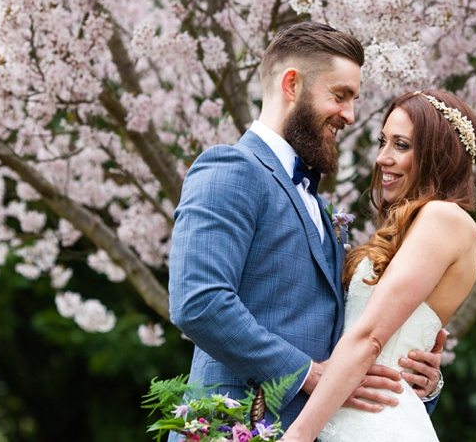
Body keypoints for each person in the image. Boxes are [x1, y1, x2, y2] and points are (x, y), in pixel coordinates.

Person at [168, 23, 445, 431]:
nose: (349, 115)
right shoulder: (230, 169)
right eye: (340, 95)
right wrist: (308, 375)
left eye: (353, 100)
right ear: (292, 85)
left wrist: (419, 382)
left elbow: (346, 337)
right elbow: (199, 300)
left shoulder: (321, 207)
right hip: (236, 426)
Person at [280, 89, 476, 442]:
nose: (381, 158)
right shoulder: (417, 226)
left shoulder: (444, 218)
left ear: (438, 153)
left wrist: (297, 436)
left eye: (401, 145)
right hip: (350, 416)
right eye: (382, 142)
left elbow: (371, 337)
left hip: (371, 424)